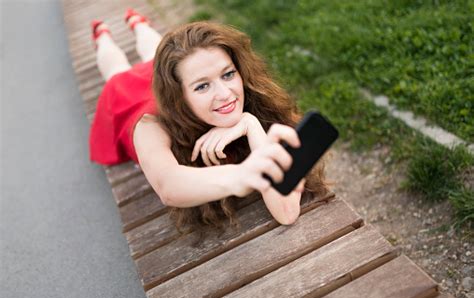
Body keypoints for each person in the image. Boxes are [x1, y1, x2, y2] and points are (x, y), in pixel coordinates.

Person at [89, 9, 329, 235]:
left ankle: (138, 24)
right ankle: (102, 37)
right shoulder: (149, 126)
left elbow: (287, 213)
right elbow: (168, 185)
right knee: (117, 71)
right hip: (131, 97)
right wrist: (242, 175)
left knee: (154, 54)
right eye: (202, 86)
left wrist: (250, 124)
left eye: (228, 74)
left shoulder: (254, 103)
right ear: (179, 96)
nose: (225, 93)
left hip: (176, 77)